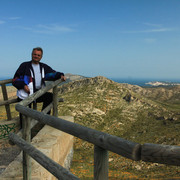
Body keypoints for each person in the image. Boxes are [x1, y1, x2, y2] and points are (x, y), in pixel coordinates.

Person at [12, 47, 66, 128]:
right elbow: (15, 79)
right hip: (25, 95)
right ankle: (23, 133)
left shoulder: (43, 67)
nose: (36, 56)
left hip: (37, 93)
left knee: (50, 97)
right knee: (24, 117)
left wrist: (61, 75)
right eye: (34, 54)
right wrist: (23, 85)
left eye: (38, 55)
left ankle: (43, 119)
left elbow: (52, 74)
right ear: (31, 54)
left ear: (41, 57)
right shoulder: (24, 65)